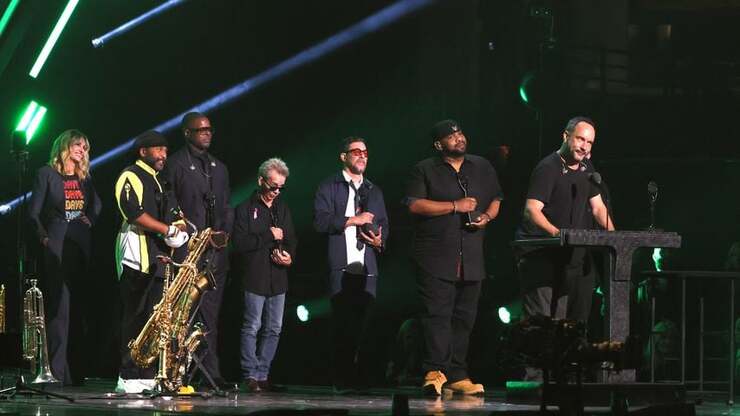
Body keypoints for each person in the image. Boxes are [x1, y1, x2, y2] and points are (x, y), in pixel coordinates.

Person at [405, 119, 503, 396]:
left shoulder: (481, 166)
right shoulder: (424, 169)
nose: (458, 138)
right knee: (437, 316)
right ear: (439, 145)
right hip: (435, 256)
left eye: (460, 132)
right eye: (451, 136)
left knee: (464, 318)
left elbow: (497, 198)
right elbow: (414, 204)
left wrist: (487, 216)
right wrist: (454, 206)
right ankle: (435, 371)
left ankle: (457, 374)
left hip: (472, 256)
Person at [515, 116, 614, 325]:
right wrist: (558, 234)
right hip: (540, 254)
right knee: (540, 324)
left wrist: (616, 239)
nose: (584, 147)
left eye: (589, 143)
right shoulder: (548, 168)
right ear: (566, 136)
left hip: (568, 256)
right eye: (580, 139)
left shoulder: (587, 168)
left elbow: (598, 208)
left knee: (566, 323)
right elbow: (531, 211)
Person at [114, 131, 189, 393]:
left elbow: (176, 214)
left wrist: (180, 230)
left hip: (159, 257)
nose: (163, 155)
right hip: (136, 254)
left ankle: (146, 372)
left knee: (152, 318)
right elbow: (133, 213)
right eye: (158, 150)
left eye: (166, 151)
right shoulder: (130, 175)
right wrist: (166, 230)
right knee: (134, 316)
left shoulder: (162, 180)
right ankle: (127, 375)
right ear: (143, 151)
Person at [162, 112, 233, 387]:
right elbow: (170, 203)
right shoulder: (176, 164)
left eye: (209, 129)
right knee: (183, 314)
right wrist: (191, 232)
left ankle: (211, 373)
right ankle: (175, 372)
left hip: (215, 253)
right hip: (187, 253)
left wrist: (223, 233)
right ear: (187, 133)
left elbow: (227, 205)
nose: (207, 133)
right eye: (200, 129)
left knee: (211, 316)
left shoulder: (219, 167)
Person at [313, 136, 389, 391]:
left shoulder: (374, 190)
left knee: (363, 327)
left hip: (367, 270)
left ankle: (361, 378)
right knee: (342, 326)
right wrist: (352, 219)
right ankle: (341, 378)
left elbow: (384, 226)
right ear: (343, 156)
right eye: (355, 151)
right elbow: (320, 222)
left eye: (366, 152)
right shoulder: (329, 186)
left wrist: (380, 241)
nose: (362, 155)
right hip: (340, 267)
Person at [28, 129, 102, 385]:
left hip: (80, 243)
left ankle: (75, 372)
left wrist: (89, 220)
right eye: (78, 145)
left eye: (85, 147)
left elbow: (97, 205)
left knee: (79, 306)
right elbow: (33, 213)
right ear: (65, 146)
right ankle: (55, 372)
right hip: (57, 243)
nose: (82, 150)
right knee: (60, 308)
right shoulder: (46, 174)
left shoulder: (85, 179)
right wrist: (44, 238)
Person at [232, 158, 296, 392]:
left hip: (278, 278)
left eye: (281, 188)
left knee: (274, 328)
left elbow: (290, 240)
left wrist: (288, 256)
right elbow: (239, 244)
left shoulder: (283, 208)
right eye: (273, 187)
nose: (276, 192)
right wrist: (268, 235)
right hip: (254, 277)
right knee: (252, 326)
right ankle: (250, 374)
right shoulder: (244, 209)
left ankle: (263, 374)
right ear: (261, 181)